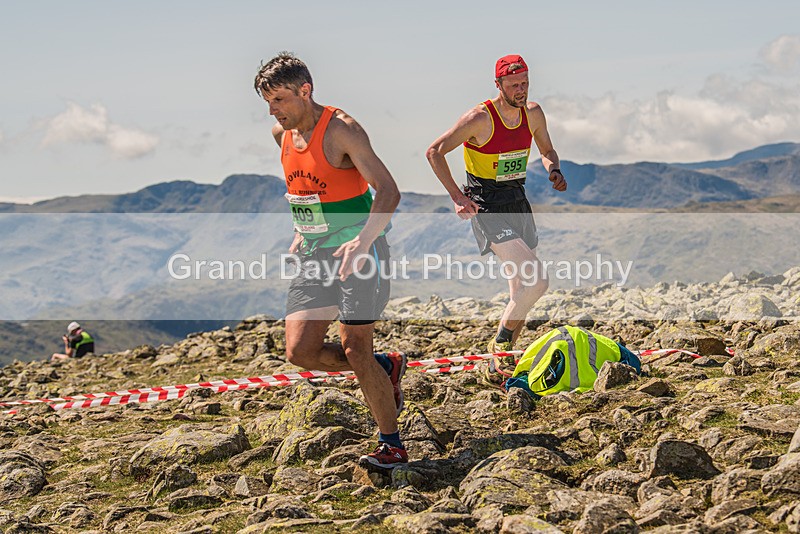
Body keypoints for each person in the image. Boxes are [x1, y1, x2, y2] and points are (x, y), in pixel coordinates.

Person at [254, 52, 407, 469]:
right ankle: (386, 366)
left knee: (355, 349)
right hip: (314, 254)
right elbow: (308, 189)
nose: (274, 110)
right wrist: (301, 231)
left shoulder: (342, 130)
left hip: (361, 253)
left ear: (306, 90)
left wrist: (362, 242)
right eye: (268, 102)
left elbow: (389, 192)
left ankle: (391, 444)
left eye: (281, 99)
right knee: (300, 351)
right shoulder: (280, 136)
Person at [426, 54, 568, 380]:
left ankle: (501, 367)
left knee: (520, 291)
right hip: (486, 205)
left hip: (517, 199)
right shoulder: (479, 119)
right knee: (538, 280)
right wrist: (457, 197)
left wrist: (554, 169)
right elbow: (434, 152)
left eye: (525, 84)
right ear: (498, 84)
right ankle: (500, 344)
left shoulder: (532, 114)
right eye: (514, 85)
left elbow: (546, 150)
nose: (521, 90)